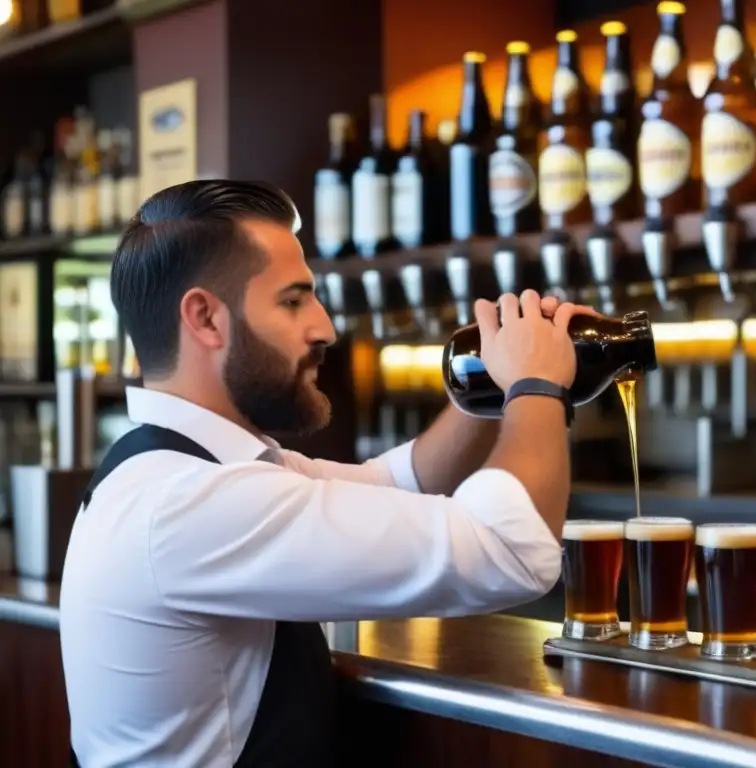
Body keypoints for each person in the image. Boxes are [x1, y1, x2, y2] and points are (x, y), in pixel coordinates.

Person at [59, 180, 589, 767]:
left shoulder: (180, 469)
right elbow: (514, 549)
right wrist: (536, 383)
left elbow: (400, 481)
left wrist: (490, 383)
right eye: (293, 301)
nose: (325, 328)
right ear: (206, 317)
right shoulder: (190, 500)